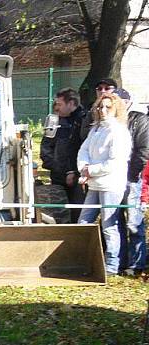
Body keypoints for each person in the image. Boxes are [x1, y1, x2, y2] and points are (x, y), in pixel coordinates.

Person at [77, 91, 132, 276]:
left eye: (108, 107)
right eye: (100, 106)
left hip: (111, 184)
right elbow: (83, 151)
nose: (103, 110)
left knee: (109, 225)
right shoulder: (95, 129)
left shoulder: (119, 132)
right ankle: (82, 259)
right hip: (94, 184)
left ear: (116, 109)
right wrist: (83, 168)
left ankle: (111, 265)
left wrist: (90, 170)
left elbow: (114, 162)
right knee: (84, 221)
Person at [114, 88, 149, 276]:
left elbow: (144, 150)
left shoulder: (140, 120)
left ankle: (137, 264)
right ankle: (120, 262)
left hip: (131, 178)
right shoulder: (109, 122)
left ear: (127, 102)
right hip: (112, 179)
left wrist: (131, 174)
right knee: (115, 221)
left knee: (134, 223)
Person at [39, 87, 86, 222]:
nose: (56, 108)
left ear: (71, 103)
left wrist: (74, 171)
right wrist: (55, 166)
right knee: (59, 214)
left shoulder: (84, 121)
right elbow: (46, 146)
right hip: (58, 175)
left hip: (79, 175)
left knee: (78, 211)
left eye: (59, 104)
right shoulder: (54, 121)